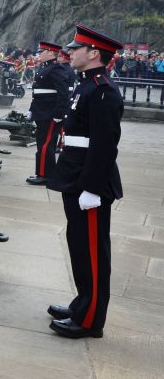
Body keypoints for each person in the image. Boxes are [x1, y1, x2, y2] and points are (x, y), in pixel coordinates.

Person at [46, 25, 124, 339]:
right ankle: (82, 303)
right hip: (75, 176)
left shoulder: (102, 89)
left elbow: (105, 144)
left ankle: (91, 319)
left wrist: (92, 187)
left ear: (94, 53)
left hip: (88, 182)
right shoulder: (86, 85)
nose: (70, 53)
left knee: (92, 251)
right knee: (79, 246)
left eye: (76, 48)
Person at [26, 42, 72, 186]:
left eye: (43, 51)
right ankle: (44, 172)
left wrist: (59, 113)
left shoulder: (56, 69)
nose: (40, 54)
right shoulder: (46, 68)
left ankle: (45, 175)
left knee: (46, 144)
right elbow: (38, 93)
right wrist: (32, 109)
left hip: (50, 113)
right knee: (42, 143)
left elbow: (63, 93)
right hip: (42, 112)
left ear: (51, 53)